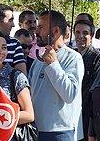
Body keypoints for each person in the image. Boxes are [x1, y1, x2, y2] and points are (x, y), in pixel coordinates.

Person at [29, 10, 84, 141]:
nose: (36, 31)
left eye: (41, 27)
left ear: (55, 31)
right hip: (36, 130)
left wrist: (53, 64)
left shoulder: (73, 58)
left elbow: (70, 94)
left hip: (61, 131)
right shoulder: (37, 61)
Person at [73, 20, 100, 141]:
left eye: (85, 33)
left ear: (91, 36)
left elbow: (95, 90)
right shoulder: (72, 55)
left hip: (88, 114)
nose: (80, 36)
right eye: (77, 32)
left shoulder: (98, 58)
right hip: (72, 113)